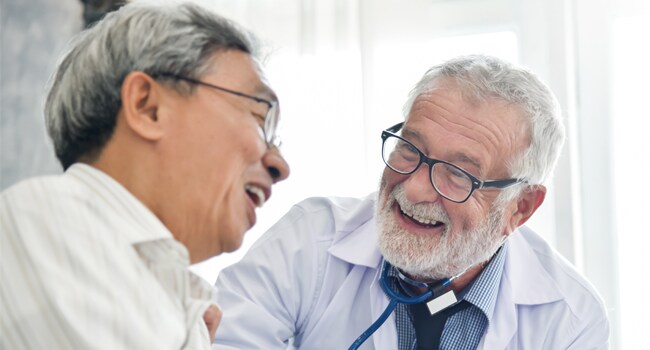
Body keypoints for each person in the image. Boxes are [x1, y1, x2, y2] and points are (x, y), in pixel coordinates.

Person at [213, 55, 609, 349]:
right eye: (410, 149)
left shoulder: (570, 319)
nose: (417, 189)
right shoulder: (308, 241)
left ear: (520, 208)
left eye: (458, 174)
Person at [0, 2, 289, 349]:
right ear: (147, 106)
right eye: (260, 118)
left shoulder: (183, 307)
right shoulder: (42, 220)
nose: (279, 165)